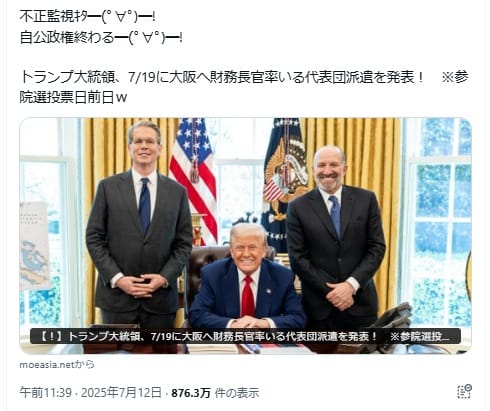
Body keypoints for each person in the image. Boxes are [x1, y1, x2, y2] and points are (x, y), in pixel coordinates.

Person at [86, 120, 193, 329]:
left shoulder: (177, 192)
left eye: (150, 141)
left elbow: (184, 243)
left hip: (160, 300)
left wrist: (163, 278)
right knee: (116, 352)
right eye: (138, 141)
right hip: (116, 299)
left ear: (159, 148)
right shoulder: (107, 187)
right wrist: (118, 278)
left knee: (160, 352)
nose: (144, 146)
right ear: (129, 147)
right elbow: (94, 238)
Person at [286, 145, 386, 329]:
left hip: (361, 304)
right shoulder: (297, 207)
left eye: (333, 165)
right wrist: (334, 292)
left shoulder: (366, 200)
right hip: (319, 309)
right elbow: (298, 258)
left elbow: (376, 248)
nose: (327, 171)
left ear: (344, 168)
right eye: (321, 165)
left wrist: (350, 285)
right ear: (313, 170)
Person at [188, 223, 306, 329]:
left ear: (264, 250)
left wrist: (264, 323)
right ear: (232, 251)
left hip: (266, 342)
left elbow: (298, 317)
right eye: (240, 248)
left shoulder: (283, 276)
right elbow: (197, 314)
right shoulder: (213, 274)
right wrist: (232, 325)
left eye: (252, 247)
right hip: (227, 342)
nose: (246, 254)